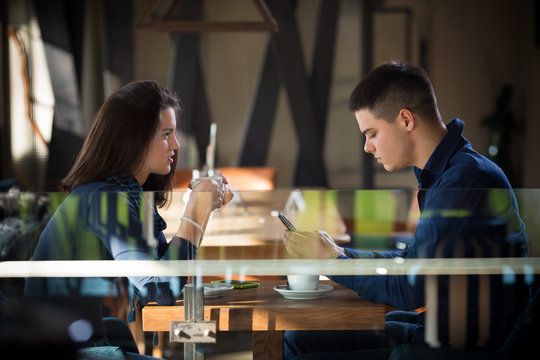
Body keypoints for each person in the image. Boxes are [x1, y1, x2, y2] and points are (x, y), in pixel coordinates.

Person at [282, 61, 529, 359]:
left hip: (459, 348)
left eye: (371, 133)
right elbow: (411, 260)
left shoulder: (464, 181)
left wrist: (333, 261)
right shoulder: (449, 174)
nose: (367, 147)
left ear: (406, 120)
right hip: (438, 331)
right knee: (299, 337)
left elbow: (411, 288)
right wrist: (339, 253)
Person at [23, 80, 233, 359]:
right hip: (62, 350)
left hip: (83, 340)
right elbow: (160, 287)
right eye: (165, 134)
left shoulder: (126, 194)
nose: (176, 144)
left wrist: (203, 209)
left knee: (197, 342)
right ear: (133, 139)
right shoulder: (104, 200)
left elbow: (167, 270)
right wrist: (195, 211)